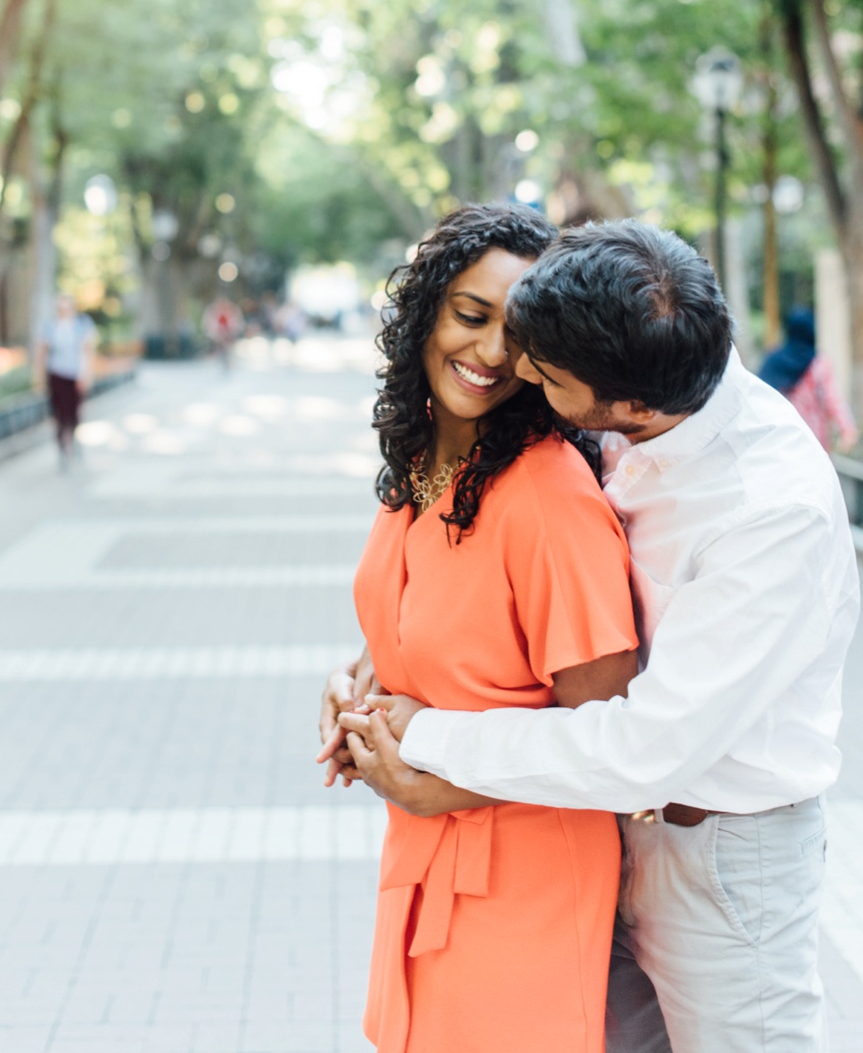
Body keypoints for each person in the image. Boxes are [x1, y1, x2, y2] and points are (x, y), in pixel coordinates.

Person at [336, 220, 860, 1053]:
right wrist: (387, 670)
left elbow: (644, 748)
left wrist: (429, 741)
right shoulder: (635, 372)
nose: (518, 368)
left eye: (544, 370)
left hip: (719, 853)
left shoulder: (770, 512)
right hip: (599, 825)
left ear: (629, 409)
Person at [313, 204, 640, 1053]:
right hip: (423, 859)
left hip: (524, 873)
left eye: (519, 329)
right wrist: (359, 681)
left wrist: (443, 784)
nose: (493, 352)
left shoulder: (550, 497)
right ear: (425, 314)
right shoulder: (422, 464)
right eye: (471, 315)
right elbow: (429, 613)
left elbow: (611, 734)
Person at [760, 306, 857, 452]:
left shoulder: (774, 362)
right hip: (814, 445)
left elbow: (760, 398)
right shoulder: (818, 364)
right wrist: (847, 429)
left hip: (782, 442)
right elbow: (833, 399)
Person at [37, 294, 97, 468]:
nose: (64, 311)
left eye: (67, 308)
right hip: (56, 374)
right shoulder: (50, 327)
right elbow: (42, 353)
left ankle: (74, 441)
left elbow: (87, 352)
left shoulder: (81, 326)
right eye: (60, 308)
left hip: (75, 375)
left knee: (74, 413)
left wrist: (86, 375)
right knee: (58, 414)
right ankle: (62, 449)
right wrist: (40, 379)